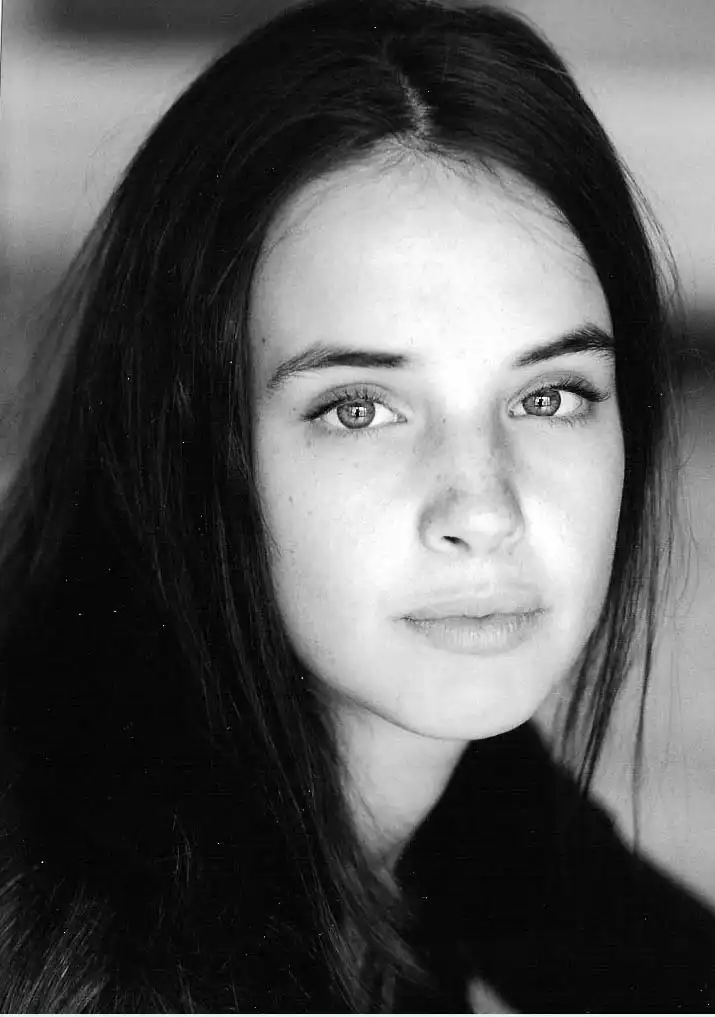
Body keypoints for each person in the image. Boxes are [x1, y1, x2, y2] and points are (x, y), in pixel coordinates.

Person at [0, 0, 712, 1011]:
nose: (483, 509)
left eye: (549, 396)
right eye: (359, 408)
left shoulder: (442, 779)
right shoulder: (102, 951)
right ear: (193, 442)